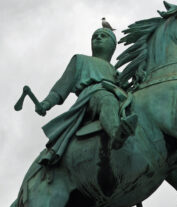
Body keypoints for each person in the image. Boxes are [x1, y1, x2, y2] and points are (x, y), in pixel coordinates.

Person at [37, 27, 136, 165]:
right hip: (93, 95)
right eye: (95, 36)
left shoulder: (116, 72)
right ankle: (116, 134)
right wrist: (46, 103)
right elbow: (60, 87)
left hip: (119, 97)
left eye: (103, 36)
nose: (98, 38)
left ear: (113, 46)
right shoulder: (80, 60)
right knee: (107, 100)